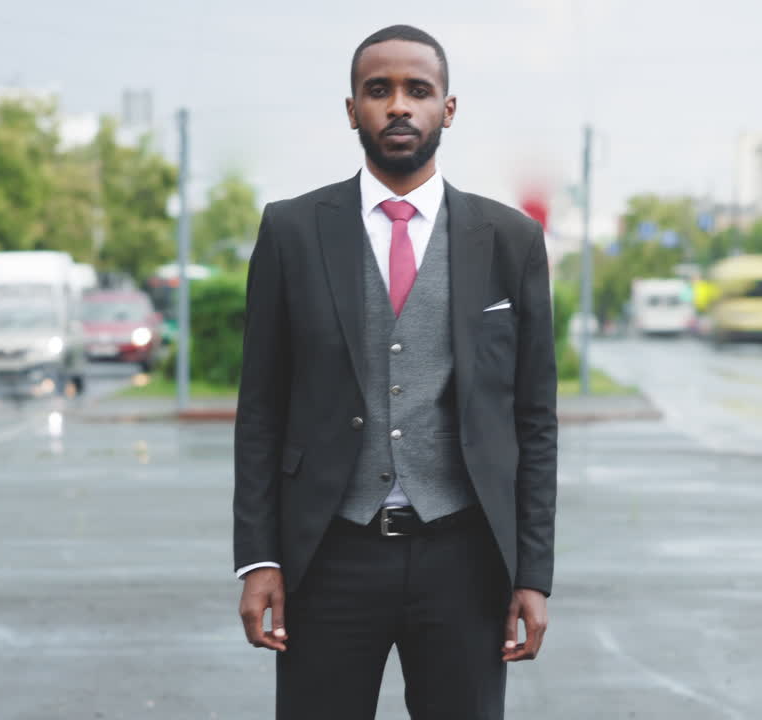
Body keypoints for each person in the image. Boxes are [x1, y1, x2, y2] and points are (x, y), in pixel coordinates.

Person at [233, 24, 557, 719]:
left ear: (448, 107)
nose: (399, 106)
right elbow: (261, 407)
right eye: (378, 91)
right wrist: (258, 559)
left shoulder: (510, 241)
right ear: (352, 109)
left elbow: (534, 420)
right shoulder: (292, 230)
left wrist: (533, 574)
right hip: (329, 554)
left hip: (465, 557)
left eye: (419, 90)